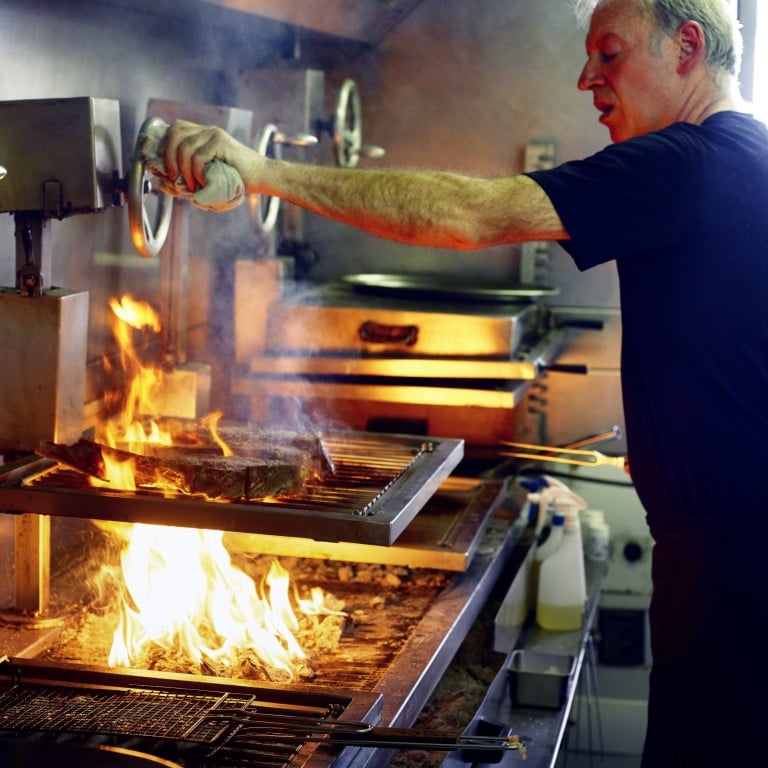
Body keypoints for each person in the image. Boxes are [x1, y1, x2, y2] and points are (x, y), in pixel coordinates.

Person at [160, 1, 768, 765]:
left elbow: (468, 216)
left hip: (735, 563)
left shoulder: (687, 163)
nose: (587, 78)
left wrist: (262, 173)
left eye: (609, 54)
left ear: (687, 47)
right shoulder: (747, 154)